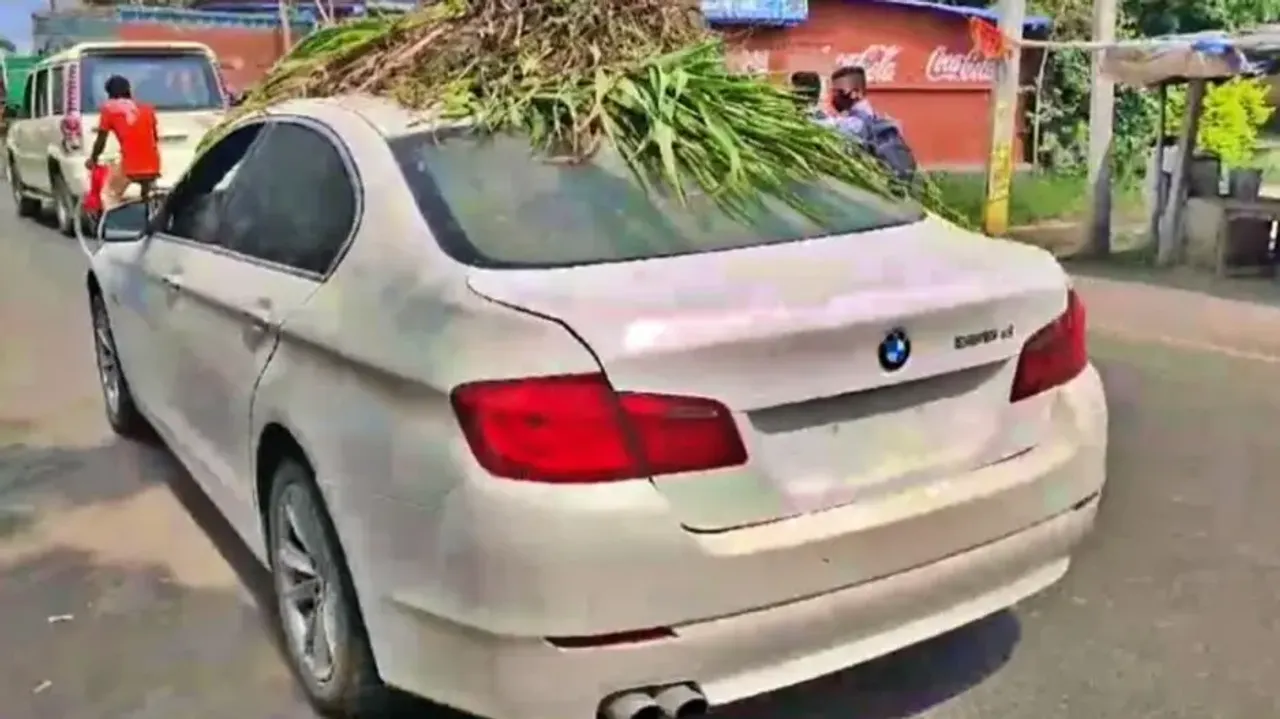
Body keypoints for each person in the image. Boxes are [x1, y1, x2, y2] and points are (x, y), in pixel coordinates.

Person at [85, 75, 160, 212]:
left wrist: (93, 159)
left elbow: (101, 140)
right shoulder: (147, 108)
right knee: (147, 197)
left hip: (130, 164)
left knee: (109, 193)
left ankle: (111, 228)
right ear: (129, 90)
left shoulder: (109, 109)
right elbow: (154, 138)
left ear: (109, 93)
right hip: (152, 162)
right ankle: (149, 221)